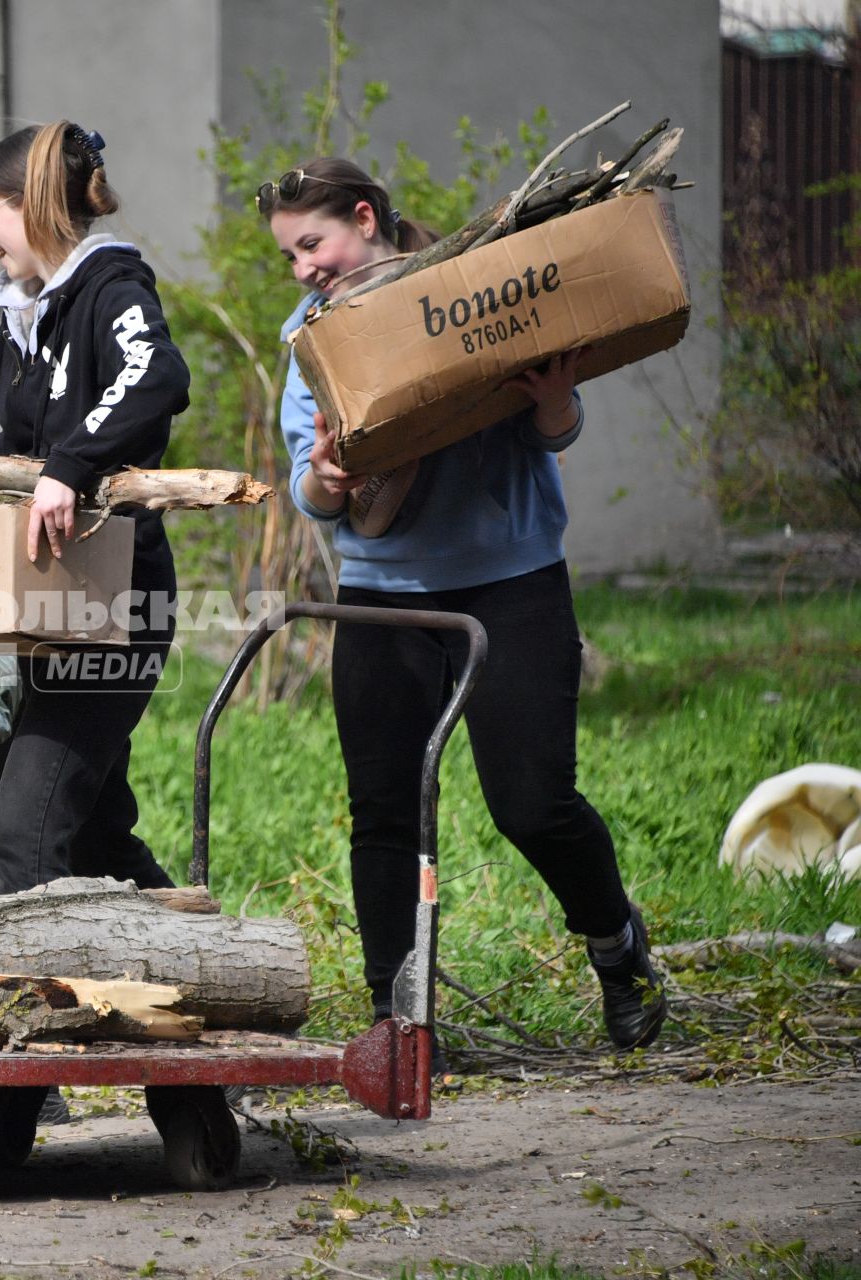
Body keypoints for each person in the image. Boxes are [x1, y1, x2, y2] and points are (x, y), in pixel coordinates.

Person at [260, 157, 665, 1051]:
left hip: (507, 586)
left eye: (312, 245)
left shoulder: (472, 284)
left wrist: (557, 404)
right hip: (383, 602)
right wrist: (326, 477)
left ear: (366, 218)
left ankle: (616, 942)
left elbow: (554, 427)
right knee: (384, 812)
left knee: (532, 804)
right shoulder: (313, 338)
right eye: (290, 255)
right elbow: (308, 487)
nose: (303, 270)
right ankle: (396, 1018)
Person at [0, 121, 186, 898]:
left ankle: (43, 1009)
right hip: (45, 607)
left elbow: (156, 375)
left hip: (116, 605)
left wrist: (72, 464)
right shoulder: (20, 320)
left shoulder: (111, 287)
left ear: (33, 207)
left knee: (21, 834)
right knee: (83, 828)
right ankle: (194, 959)